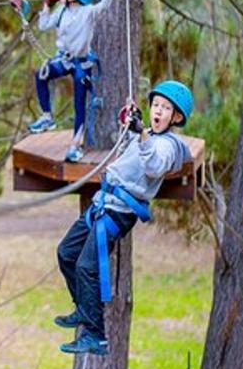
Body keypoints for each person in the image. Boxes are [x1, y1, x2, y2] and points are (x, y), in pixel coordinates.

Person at [53, 80, 194, 355]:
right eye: (156, 105)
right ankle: (84, 309)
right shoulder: (149, 137)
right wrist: (130, 125)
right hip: (103, 203)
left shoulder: (168, 146)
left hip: (119, 212)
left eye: (166, 108)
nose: (158, 111)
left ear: (176, 117)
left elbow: (153, 166)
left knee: (86, 266)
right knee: (66, 253)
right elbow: (135, 148)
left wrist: (141, 134)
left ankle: (96, 336)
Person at [11, 0, 117, 162]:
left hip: (81, 64)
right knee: (42, 75)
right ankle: (47, 116)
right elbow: (43, 26)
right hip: (64, 60)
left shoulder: (88, 12)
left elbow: (105, 5)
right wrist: (46, 6)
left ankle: (76, 145)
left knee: (79, 103)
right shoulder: (61, 11)